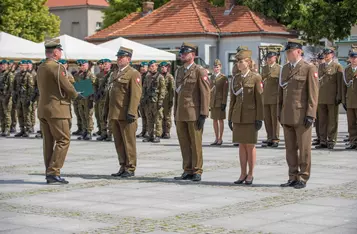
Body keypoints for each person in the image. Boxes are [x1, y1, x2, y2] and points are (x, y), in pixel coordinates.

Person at [37, 38, 80, 184]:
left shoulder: (41, 66)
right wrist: (77, 94)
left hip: (44, 109)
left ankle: (49, 172)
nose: (61, 53)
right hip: (57, 110)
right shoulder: (57, 67)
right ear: (55, 52)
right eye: (60, 50)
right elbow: (67, 87)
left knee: (48, 142)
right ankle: (54, 172)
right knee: (63, 140)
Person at [278, 39, 319, 189]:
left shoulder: (309, 68)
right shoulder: (285, 69)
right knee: (290, 149)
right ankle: (292, 176)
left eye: (290, 51)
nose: (288, 54)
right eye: (287, 52)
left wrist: (311, 114)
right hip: (287, 114)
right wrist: (279, 112)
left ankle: (303, 176)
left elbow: (313, 94)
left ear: (299, 51)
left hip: (302, 116)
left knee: (304, 149)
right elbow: (281, 93)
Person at [174, 42, 210, 182]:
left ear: (193, 55)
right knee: (184, 142)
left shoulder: (199, 71)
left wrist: (203, 113)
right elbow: (177, 93)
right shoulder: (179, 71)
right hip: (181, 113)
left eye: (185, 53)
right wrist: (175, 111)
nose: (182, 55)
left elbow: (205, 93)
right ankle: (187, 169)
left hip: (194, 113)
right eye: (181, 53)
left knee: (195, 143)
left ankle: (197, 170)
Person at [228, 49, 263, 185]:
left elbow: (259, 100)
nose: (238, 64)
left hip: (250, 116)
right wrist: (230, 117)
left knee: (250, 145)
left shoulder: (255, 77)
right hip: (238, 116)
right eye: (237, 62)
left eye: (241, 61)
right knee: (241, 145)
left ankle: (250, 173)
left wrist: (259, 117)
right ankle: (242, 173)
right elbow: (233, 99)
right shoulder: (236, 78)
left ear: (248, 62)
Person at [107, 47, 141, 178]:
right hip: (115, 113)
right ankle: (123, 165)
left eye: (122, 57)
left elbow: (136, 94)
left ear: (129, 59)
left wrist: (132, 112)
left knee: (128, 142)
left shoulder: (133, 73)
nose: (119, 59)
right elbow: (110, 94)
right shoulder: (115, 73)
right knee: (119, 142)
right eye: (118, 57)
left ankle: (130, 167)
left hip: (126, 114)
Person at [315, 47, 343, 150]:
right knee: (322, 121)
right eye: (325, 54)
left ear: (332, 55)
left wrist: (339, 96)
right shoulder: (320, 66)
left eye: (328, 54)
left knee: (332, 120)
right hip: (321, 97)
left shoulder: (337, 66)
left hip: (332, 98)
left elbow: (340, 83)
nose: (326, 56)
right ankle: (323, 141)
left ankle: (331, 140)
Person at [261, 48, 281, 148]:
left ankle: (275, 138)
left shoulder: (279, 68)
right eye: (268, 57)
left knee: (274, 119)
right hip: (265, 97)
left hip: (274, 97)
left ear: (275, 58)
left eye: (271, 57)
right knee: (267, 119)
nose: (269, 59)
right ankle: (269, 137)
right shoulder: (264, 68)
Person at [142, 60, 165, 143]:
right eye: (150, 66)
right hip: (148, 101)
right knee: (149, 118)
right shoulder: (147, 77)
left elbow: (162, 90)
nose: (151, 67)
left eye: (153, 66)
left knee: (158, 119)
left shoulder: (160, 77)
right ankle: (150, 135)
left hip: (156, 101)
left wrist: (160, 101)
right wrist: (143, 98)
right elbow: (144, 88)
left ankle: (158, 135)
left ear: (156, 67)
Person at [74, 60, 96, 140]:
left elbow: (94, 86)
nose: (81, 67)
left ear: (87, 66)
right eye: (80, 66)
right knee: (82, 115)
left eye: (83, 65)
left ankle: (89, 132)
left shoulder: (90, 75)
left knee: (88, 116)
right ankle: (84, 131)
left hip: (88, 98)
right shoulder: (78, 75)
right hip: (81, 98)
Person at [209, 59, 228, 145]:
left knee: (220, 120)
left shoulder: (223, 77)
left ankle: (221, 138)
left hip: (220, 102)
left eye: (217, 67)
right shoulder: (212, 77)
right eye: (214, 67)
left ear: (220, 67)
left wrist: (224, 102)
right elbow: (209, 90)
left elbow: (225, 91)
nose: (216, 68)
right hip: (213, 102)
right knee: (214, 120)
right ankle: (216, 138)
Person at [13, 60, 34, 137]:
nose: (21, 67)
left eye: (23, 65)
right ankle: (22, 129)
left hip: (25, 98)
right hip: (19, 97)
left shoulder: (29, 75)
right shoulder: (17, 75)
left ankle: (27, 130)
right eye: (20, 66)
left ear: (26, 66)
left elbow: (31, 88)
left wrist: (29, 99)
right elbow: (14, 86)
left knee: (26, 114)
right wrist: (14, 95)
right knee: (19, 114)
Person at [342, 46, 357, 150]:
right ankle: (353, 142)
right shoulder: (346, 70)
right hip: (350, 101)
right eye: (352, 57)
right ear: (349, 58)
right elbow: (344, 86)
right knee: (351, 123)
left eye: (356, 57)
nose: (354, 59)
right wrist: (344, 100)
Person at [95, 59, 113, 141]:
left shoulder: (113, 74)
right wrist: (96, 94)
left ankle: (110, 134)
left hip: (109, 99)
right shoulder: (99, 75)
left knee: (110, 117)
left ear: (110, 65)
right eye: (103, 64)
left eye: (106, 64)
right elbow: (95, 85)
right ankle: (103, 133)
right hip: (101, 100)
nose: (104, 65)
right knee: (102, 117)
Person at [312, 53, 325, 146]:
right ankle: (319, 137)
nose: (320, 60)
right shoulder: (315, 68)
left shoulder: (325, 68)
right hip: (316, 98)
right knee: (317, 120)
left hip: (323, 97)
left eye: (322, 59)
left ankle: (324, 138)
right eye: (319, 59)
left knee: (324, 120)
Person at [160, 61, 175, 139]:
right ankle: (162, 131)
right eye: (161, 67)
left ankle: (167, 132)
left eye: (164, 67)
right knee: (161, 116)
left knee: (167, 116)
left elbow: (172, 89)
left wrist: (170, 100)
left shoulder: (170, 77)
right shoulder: (159, 76)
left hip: (167, 99)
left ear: (167, 68)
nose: (162, 69)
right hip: (160, 99)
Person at [0, 60, 15, 137]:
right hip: (1, 96)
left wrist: (7, 97)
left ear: (7, 66)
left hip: (7, 97)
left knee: (7, 114)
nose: (2, 66)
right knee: (1, 114)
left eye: (4, 65)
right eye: (1, 65)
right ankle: (2, 129)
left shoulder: (10, 75)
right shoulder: (1, 74)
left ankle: (7, 129)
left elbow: (11, 87)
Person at [136, 62, 149, 138]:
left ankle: (148, 131)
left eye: (144, 67)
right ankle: (144, 131)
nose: (143, 68)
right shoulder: (140, 76)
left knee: (147, 116)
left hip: (146, 99)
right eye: (141, 67)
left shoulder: (149, 76)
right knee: (143, 116)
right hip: (140, 98)